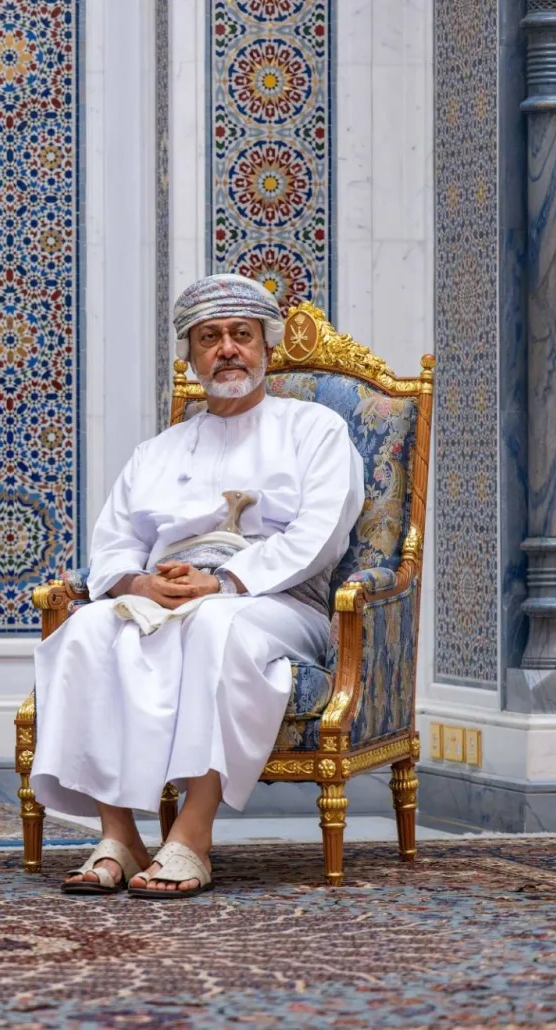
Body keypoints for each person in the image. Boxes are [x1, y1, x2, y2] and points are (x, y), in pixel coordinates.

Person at [31, 275, 364, 899]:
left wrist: (225, 580)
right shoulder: (158, 451)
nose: (227, 349)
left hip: (275, 601)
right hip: (166, 595)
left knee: (214, 624)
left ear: (266, 346)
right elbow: (114, 541)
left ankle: (192, 835)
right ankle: (119, 837)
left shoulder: (314, 429)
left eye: (241, 335)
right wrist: (139, 582)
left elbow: (323, 533)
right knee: (86, 628)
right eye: (209, 338)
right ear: (190, 355)